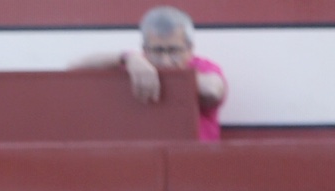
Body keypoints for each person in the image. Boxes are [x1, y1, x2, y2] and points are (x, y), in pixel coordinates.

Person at [73, 6, 226, 141]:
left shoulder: (203, 67)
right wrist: (126, 58)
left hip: (194, 160)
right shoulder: (137, 65)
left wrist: (175, 78)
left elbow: (212, 90)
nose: (165, 60)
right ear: (145, 49)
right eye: (158, 51)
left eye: (173, 50)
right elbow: (74, 68)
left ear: (190, 48)